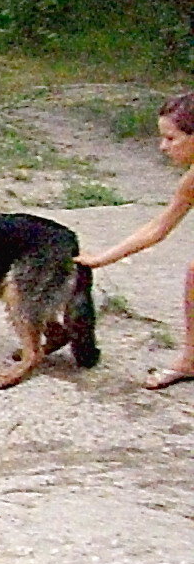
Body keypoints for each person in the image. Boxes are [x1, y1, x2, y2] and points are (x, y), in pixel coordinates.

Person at [77, 91, 194, 389]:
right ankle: (190, 360)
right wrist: (102, 258)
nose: (162, 147)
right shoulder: (190, 181)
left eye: (171, 138)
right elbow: (158, 227)